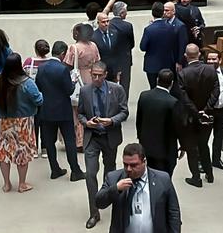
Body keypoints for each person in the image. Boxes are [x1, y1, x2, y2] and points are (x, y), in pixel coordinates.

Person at [77, 61, 129, 229]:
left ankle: (109, 198)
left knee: (110, 172)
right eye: (94, 75)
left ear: (106, 75)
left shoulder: (117, 89)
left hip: (110, 137)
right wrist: (86, 123)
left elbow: (124, 111)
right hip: (92, 137)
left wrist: (112, 121)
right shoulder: (85, 91)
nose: (97, 78)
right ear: (90, 74)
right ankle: (94, 212)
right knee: (90, 174)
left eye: (100, 75)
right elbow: (80, 114)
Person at [95, 143, 182, 233]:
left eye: (133, 165)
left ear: (144, 161)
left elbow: (173, 212)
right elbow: (99, 203)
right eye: (125, 164)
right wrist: (116, 189)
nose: (128, 169)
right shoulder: (114, 178)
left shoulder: (162, 179)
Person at [0, 52, 43, 193]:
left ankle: (6, 184)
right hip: (23, 122)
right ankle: (22, 184)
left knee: (4, 151)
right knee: (22, 152)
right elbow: (38, 100)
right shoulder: (27, 83)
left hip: (4, 121)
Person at [35, 41, 85, 182]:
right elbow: (69, 90)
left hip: (46, 110)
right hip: (63, 110)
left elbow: (38, 87)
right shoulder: (63, 69)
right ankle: (75, 170)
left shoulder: (41, 68)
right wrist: (73, 81)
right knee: (69, 140)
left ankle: (54, 169)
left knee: (49, 141)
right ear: (63, 54)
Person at [178, 44, 219, 188]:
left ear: (185, 56)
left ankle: (196, 177)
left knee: (191, 148)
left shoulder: (183, 74)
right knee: (203, 144)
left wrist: (196, 112)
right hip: (207, 116)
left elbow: (184, 98)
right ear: (199, 55)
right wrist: (206, 109)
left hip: (190, 117)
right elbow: (216, 91)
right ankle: (209, 174)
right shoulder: (211, 70)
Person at [136, 69, 184, 176]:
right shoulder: (173, 102)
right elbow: (177, 128)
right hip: (165, 152)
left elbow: (139, 121)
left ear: (157, 80)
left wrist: (141, 139)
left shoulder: (144, 96)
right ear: (172, 83)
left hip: (146, 148)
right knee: (163, 180)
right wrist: (183, 145)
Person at [63, 23, 100, 151]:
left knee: (76, 112)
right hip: (92, 78)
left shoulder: (74, 47)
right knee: (90, 109)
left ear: (78, 33)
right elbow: (98, 61)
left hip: (79, 79)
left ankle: (79, 141)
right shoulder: (93, 45)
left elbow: (67, 65)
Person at [140, 2, 186, 89]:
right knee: (167, 89)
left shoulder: (149, 29)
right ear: (162, 13)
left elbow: (143, 47)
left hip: (152, 65)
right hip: (167, 65)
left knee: (153, 89)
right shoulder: (171, 28)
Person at [22, 39, 51, 157]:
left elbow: (23, 76)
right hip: (47, 97)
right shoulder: (51, 62)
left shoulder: (29, 62)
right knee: (46, 124)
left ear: (35, 49)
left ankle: (33, 148)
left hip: (31, 97)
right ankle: (45, 149)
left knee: (33, 123)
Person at [205, 49, 223, 171]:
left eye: (214, 59)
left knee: (219, 137)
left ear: (220, 60)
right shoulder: (203, 73)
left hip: (222, 110)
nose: (211, 61)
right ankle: (202, 161)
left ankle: (216, 160)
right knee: (204, 138)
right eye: (209, 59)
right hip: (209, 111)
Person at [109, 1, 135, 99]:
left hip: (111, 60)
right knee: (125, 85)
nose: (127, 13)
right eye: (126, 11)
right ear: (122, 13)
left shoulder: (109, 25)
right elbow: (132, 44)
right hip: (125, 60)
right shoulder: (128, 26)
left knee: (111, 86)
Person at [91, 12, 119, 82]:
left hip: (113, 71)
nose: (106, 24)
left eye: (107, 21)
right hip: (101, 72)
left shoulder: (115, 33)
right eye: (103, 22)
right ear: (98, 23)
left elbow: (118, 52)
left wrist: (118, 71)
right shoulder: (93, 37)